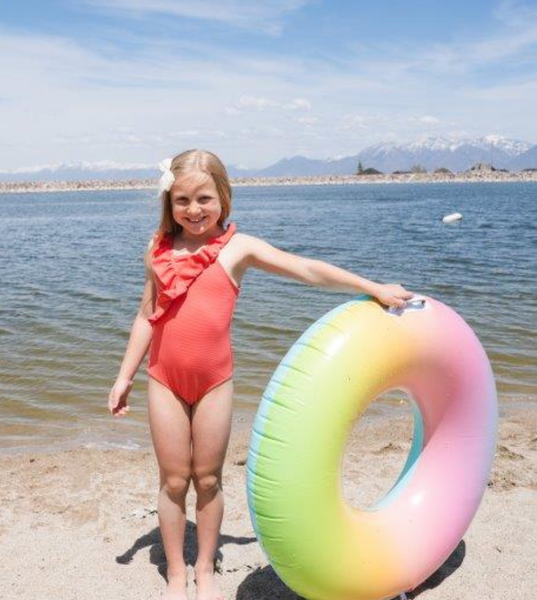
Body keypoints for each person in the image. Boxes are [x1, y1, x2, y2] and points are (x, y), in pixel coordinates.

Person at [108, 149, 413, 600]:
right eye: (183, 200)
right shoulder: (158, 249)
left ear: (224, 198)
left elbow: (306, 268)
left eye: (205, 199)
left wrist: (371, 288)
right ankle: (176, 574)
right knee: (173, 481)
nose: (194, 210)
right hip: (164, 382)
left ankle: (205, 571)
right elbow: (145, 317)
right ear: (169, 203)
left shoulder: (238, 248)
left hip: (215, 384)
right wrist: (124, 376)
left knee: (209, 479)